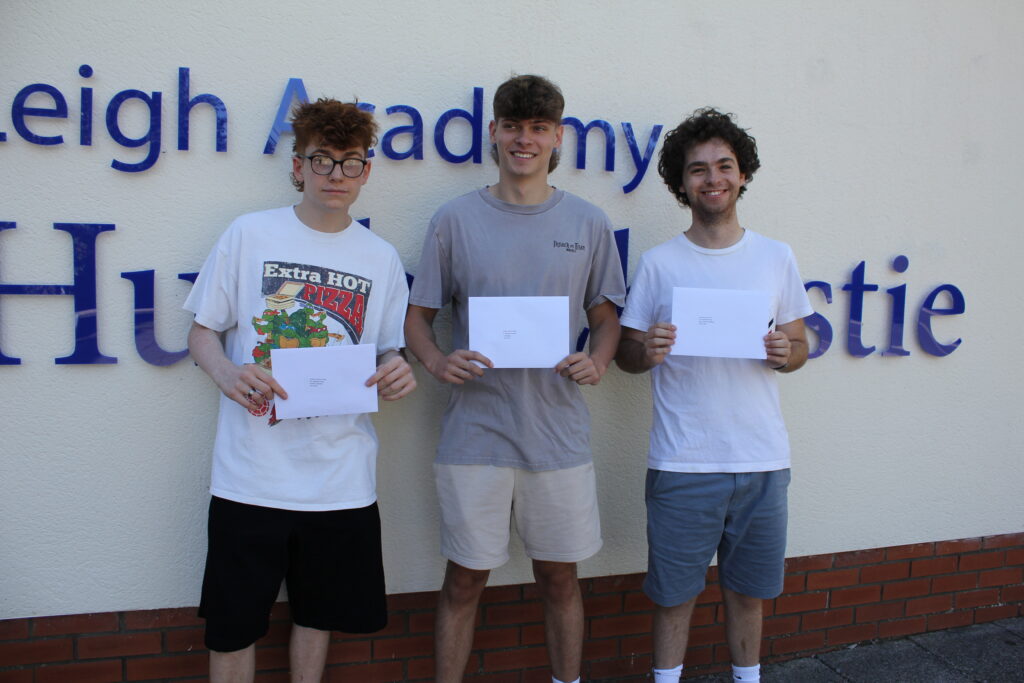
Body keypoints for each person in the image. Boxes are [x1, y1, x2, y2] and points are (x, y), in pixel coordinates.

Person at [183, 98, 415, 682]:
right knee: (233, 625)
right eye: (322, 160)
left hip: (340, 478)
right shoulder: (249, 234)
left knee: (317, 618)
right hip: (251, 474)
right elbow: (201, 332)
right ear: (297, 166)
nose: (335, 175)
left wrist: (396, 368)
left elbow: (388, 346)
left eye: (350, 163)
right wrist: (228, 374)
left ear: (367, 172)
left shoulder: (380, 258)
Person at [404, 74, 625, 683]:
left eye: (538, 128)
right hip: (474, 434)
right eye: (512, 126)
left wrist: (599, 359)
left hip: (557, 436)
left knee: (559, 578)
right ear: (494, 132)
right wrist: (436, 361)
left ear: (558, 136)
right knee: (464, 579)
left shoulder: (588, 222)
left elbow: (606, 320)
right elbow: (417, 319)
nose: (524, 140)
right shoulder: (454, 220)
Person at [616, 108, 813, 683]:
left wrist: (786, 352)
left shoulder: (776, 257)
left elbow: (800, 345)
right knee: (675, 597)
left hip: (762, 458)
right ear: (681, 183)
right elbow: (627, 355)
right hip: (683, 461)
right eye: (697, 169)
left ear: (743, 175)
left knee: (748, 594)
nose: (712, 179)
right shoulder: (659, 264)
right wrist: (645, 350)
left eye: (724, 166)